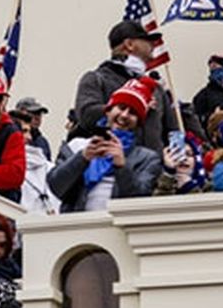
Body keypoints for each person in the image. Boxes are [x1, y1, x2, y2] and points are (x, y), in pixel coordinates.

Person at [49, 77, 162, 210]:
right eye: (121, 107)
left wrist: (122, 167)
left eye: (133, 113)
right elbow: (56, 187)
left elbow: (140, 202)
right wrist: (82, 158)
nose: (125, 115)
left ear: (138, 122)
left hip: (119, 228)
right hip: (78, 225)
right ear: (108, 110)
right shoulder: (77, 145)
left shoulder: (146, 158)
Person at [74, 20, 175, 153]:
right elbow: (87, 116)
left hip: (153, 168)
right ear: (129, 44)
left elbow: (172, 130)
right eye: (147, 40)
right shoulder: (96, 79)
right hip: (113, 166)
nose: (153, 45)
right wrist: (128, 105)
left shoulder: (156, 89)